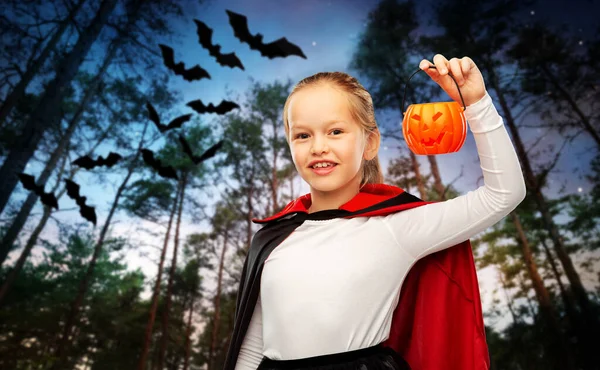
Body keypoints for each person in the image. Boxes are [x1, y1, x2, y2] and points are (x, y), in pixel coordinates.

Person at [223, 54, 526, 370]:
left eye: (335, 131)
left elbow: (504, 194)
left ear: (370, 144)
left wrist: (476, 102)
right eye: (302, 135)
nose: (318, 147)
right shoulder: (273, 237)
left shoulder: (396, 228)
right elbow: (254, 345)